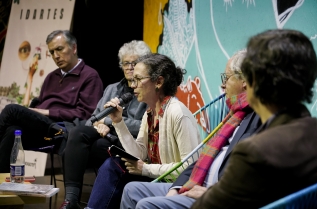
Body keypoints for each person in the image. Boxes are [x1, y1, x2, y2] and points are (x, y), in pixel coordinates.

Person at [125, 29, 317, 209]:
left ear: (252, 81)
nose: (223, 86)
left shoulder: (256, 150)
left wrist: (207, 192)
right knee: (134, 192)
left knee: (146, 206)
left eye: (228, 78)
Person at [120, 49, 261, 209]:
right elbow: (200, 161)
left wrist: (213, 192)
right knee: (131, 189)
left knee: (146, 204)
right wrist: (118, 122)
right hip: (193, 182)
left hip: (215, 193)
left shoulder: (259, 119)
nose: (133, 85)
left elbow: (256, 177)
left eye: (226, 78)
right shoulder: (234, 117)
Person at [85, 53, 202, 209]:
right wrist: (118, 122)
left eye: (138, 79)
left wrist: (145, 169)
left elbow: (189, 168)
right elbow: (139, 154)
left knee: (114, 169)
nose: (133, 85)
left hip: (174, 186)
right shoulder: (150, 112)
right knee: (113, 165)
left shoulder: (177, 113)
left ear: (158, 82)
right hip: (157, 177)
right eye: (133, 80)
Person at [59, 40, 151, 209]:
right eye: (126, 63)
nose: (130, 67)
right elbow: (92, 120)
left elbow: (143, 127)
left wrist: (110, 122)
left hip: (129, 144)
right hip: (103, 138)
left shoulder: (147, 91)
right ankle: (71, 200)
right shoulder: (111, 89)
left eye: (135, 62)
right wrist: (99, 126)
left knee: (71, 151)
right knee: (78, 133)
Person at [0, 30, 103, 173]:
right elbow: (40, 104)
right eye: (52, 52)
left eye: (59, 49)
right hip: (41, 127)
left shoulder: (90, 76)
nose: (56, 56)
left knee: (11, 110)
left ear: (74, 48)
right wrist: (33, 111)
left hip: (62, 129)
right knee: (12, 131)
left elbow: (86, 114)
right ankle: (3, 184)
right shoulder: (51, 77)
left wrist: (47, 112)